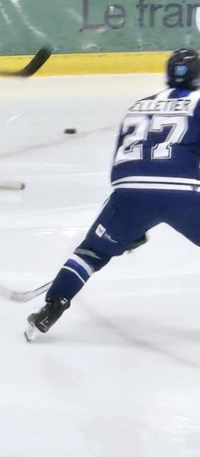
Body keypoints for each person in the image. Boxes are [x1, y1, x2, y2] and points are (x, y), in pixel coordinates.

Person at [26, 48, 200, 340]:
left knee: (91, 253)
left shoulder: (139, 105)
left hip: (128, 193)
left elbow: (125, 162)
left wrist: (131, 223)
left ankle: (51, 307)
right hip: (183, 192)